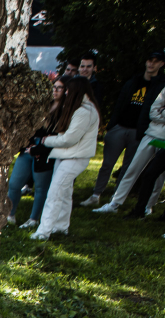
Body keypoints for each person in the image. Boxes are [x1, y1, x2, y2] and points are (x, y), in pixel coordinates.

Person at [81, 52, 165, 206]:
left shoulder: (162, 85)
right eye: (149, 60)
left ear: (162, 64)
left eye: (155, 61)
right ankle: (96, 195)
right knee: (107, 164)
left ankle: (116, 198)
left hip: (139, 132)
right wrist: (112, 125)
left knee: (128, 167)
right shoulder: (134, 81)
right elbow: (120, 103)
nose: (151, 64)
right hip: (120, 127)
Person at [93, 76, 165, 216]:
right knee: (133, 169)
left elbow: (162, 112)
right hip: (152, 133)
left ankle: (148, 206)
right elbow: (153, 111)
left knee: (159, 177)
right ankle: (115, 203)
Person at [30, 77, 101, 240]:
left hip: (75, 157)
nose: (66, 93)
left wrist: (46, 140)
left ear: (77, 91)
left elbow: (69, 139)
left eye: (69, 90)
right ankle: (61, 227)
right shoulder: (81, 109)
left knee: (54, 193)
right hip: (65, 155)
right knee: (65, 193)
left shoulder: (85, 111)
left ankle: (43, 232)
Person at [7, 76, 67, 230]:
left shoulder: (65, 112)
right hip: (29, 148)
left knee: (41, 188)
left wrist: (39, 149)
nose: (55, 90)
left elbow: (59, 138)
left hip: (45, 153)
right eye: (54, 87)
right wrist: (28, 145)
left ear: (66, 91)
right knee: (14, 184)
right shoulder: (43, 106)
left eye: (59, 87)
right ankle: (9, 215)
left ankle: (33, 219)